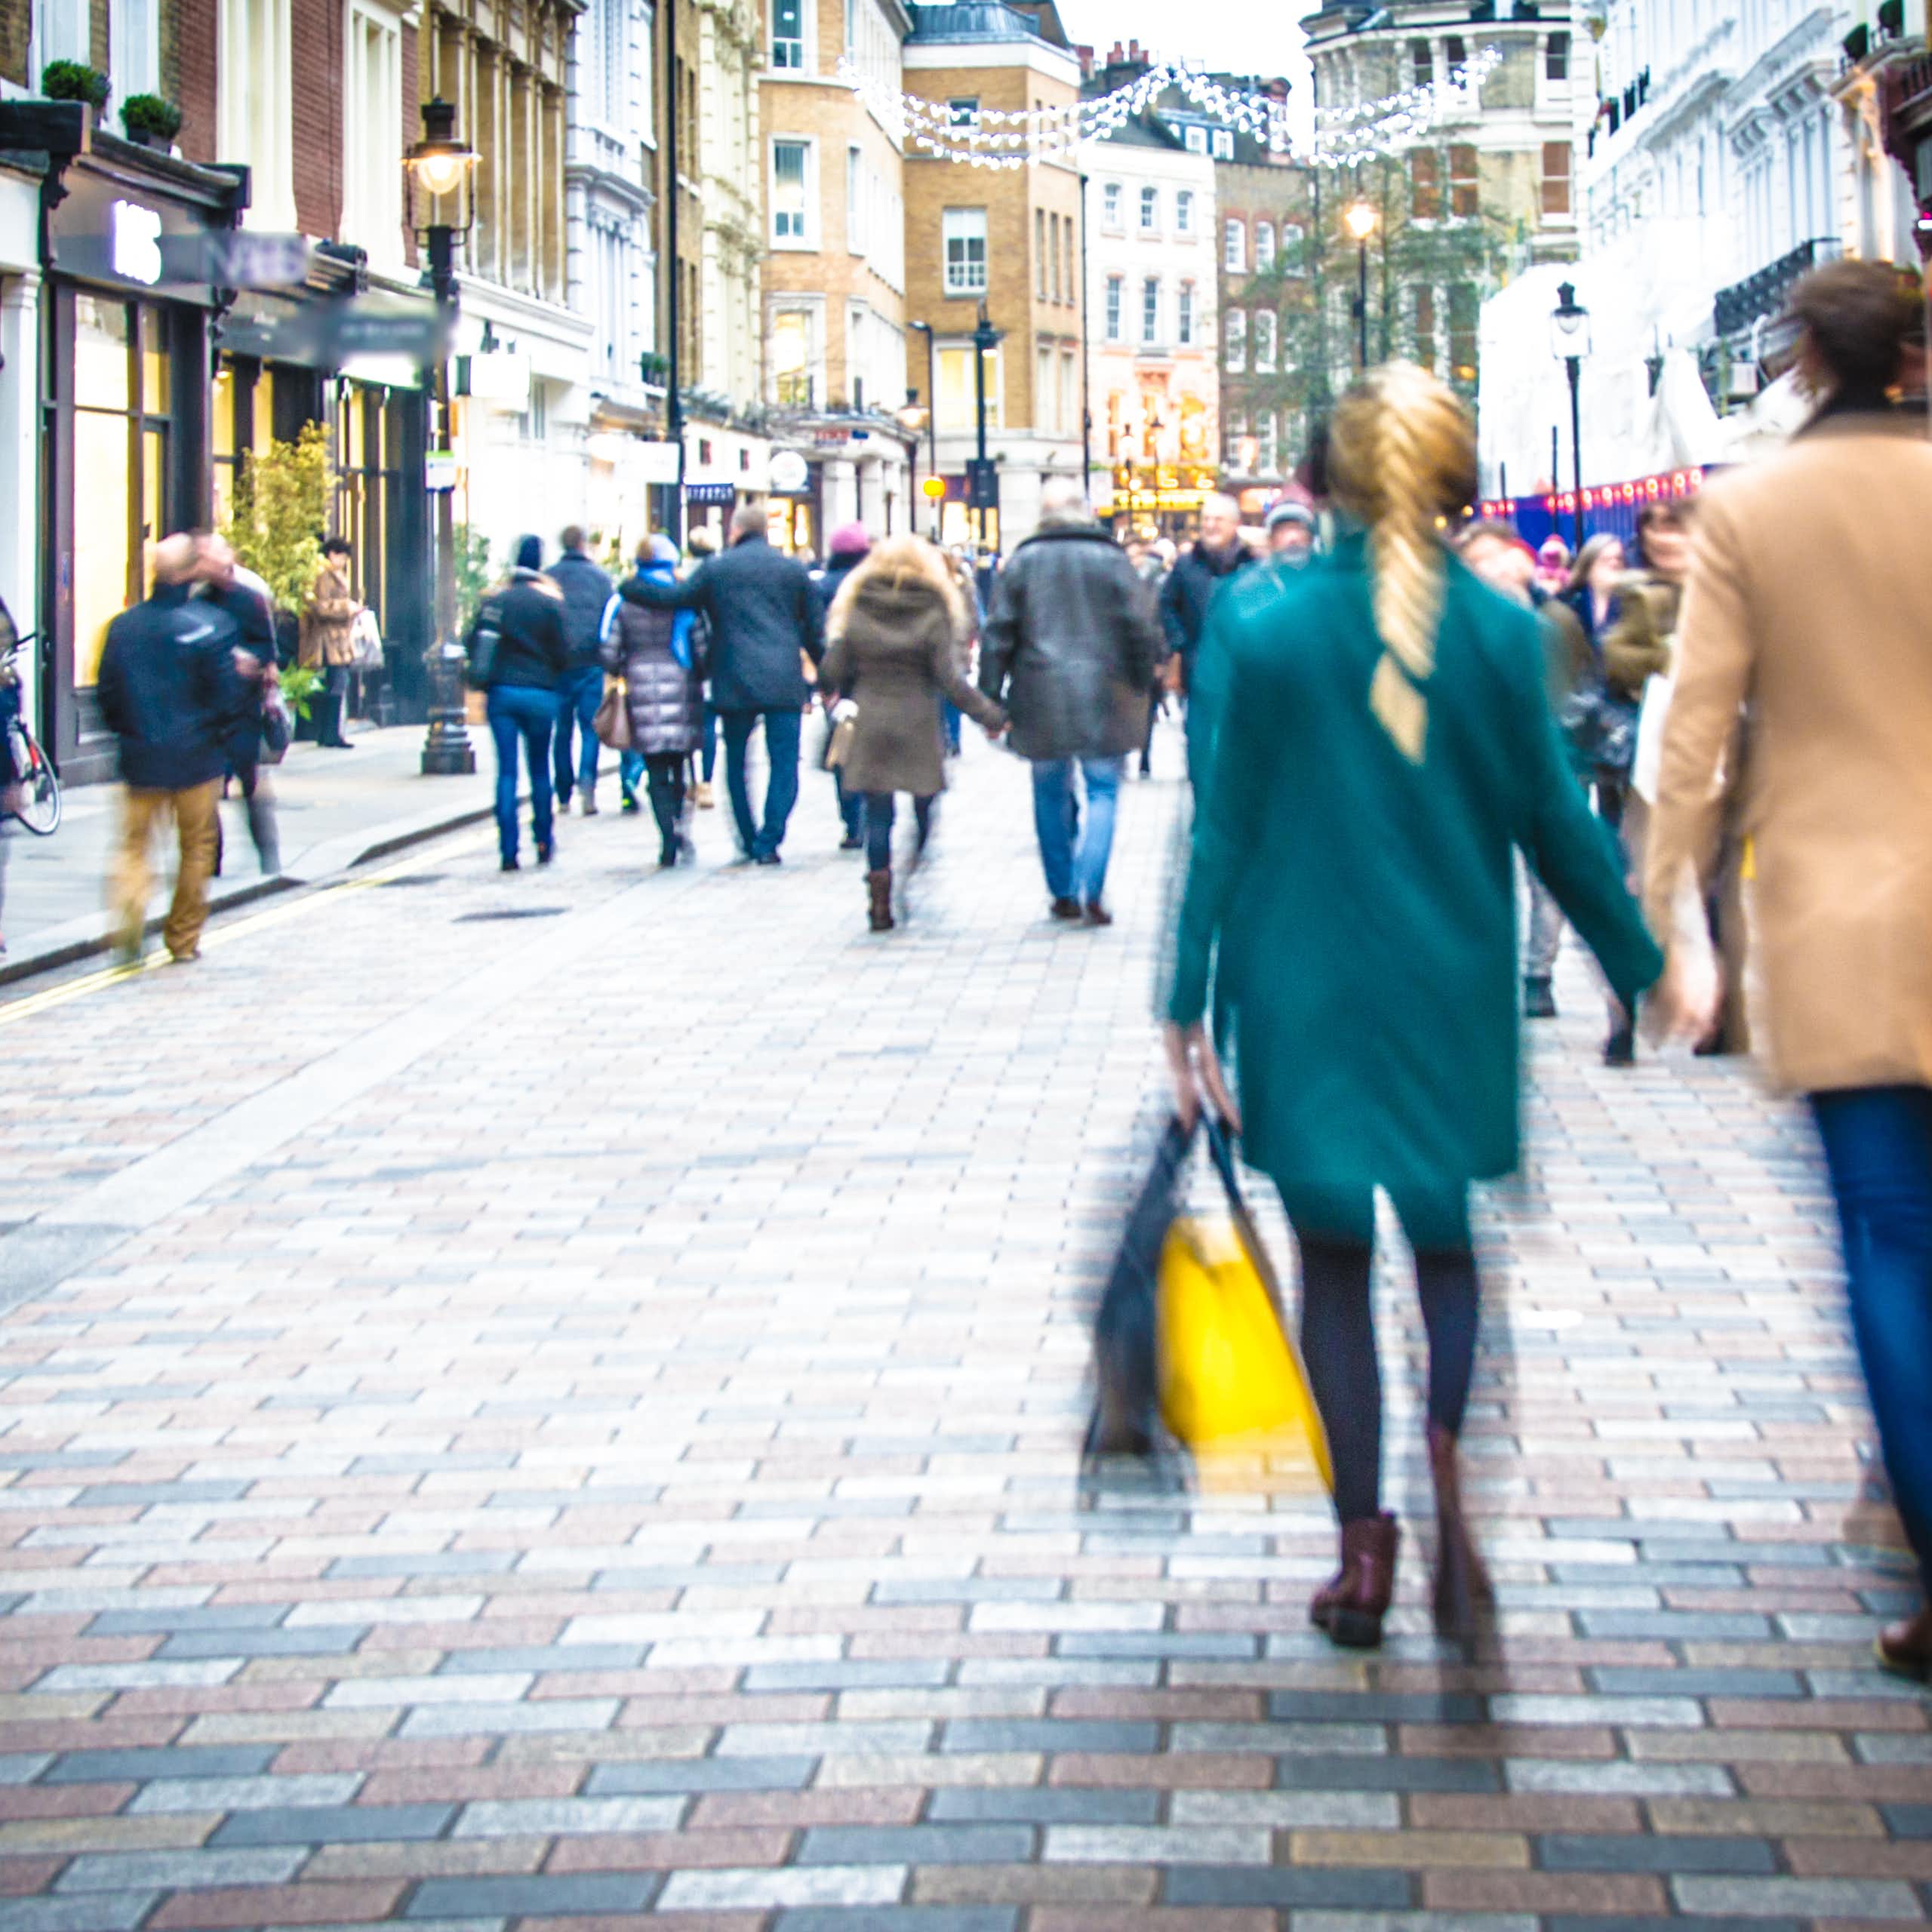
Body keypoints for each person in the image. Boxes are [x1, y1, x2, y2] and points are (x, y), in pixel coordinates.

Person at [1164, 365, 1662, 1650]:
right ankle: (1446, 1460)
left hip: (1299, 987)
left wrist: (1186, 1004)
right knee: (1443, 1246)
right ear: (1453, 490)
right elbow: (1555, 823)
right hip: (1449, 984)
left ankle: (1362, 1548)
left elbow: (1223, 832)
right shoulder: (1498, 633)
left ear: (1316, 489)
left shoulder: (1264, 632)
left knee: (1334, 1269)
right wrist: (1645, 965)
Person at [1645, 260, 1932, 1681]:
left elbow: (1689, 742)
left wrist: (1676, 923)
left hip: (1840, 917)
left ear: (1807, 358)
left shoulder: (1752, 509)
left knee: (1889, 1237)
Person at [979, 477, 1163, 927]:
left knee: (1049, 792)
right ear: (1085, 511)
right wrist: (1143, 679)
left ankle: (1062, 890)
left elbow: (999, 633)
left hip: (1040, 693)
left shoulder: (1023, 562)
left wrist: (990, 696)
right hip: (1106, 690)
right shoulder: (1112, 561)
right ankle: (1091, 885)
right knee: (1102, 789)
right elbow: (1140, 627)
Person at [818, 535, 1005, 933]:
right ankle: (912, 864)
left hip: (870, 719)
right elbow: (948, 678)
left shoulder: (856, 604)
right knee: (924, 802)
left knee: (878, 813)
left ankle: (879, 896)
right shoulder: (933, 606)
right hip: (917, 719)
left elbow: (832, 670)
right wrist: (989, 714)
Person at [621, 500, 823, 866]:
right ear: (766, 531)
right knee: (784, 763)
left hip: (734, 678)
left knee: (737, 765)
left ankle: (746, 838)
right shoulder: (793, 571)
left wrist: (630, 588)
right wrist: (827, 678)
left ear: (735, 531)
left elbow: (675, 598)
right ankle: (770, 839)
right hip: (782, 679)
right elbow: (815, 632)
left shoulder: (717, 569)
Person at [1457, 519, 1598, 1024]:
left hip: (1544, 765)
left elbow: (1579, 688)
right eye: (1478, 560)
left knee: (1546, 879)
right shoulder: (1451, 620)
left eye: (1500, 555)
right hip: (1477, 771)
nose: (1493, 568)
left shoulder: (1556, 618)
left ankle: (1539, 974)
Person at [97, 534, 247, 964]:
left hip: (140, 760)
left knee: (133, 847)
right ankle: (182, 940)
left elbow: (107, 694)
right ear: (187, 572)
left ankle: (128, 923)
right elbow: (226, 696)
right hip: (197, 760)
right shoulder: (211, 625)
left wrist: (127, 735)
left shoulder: (123, 627)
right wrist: (222, 742)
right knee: (197, 848)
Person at [468, 534, 569, 872]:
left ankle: (508, 849)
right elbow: (565, 654)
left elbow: (474, 646)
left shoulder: (497, 602)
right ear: (539, 563)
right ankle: (543, 840)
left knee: (507, 772)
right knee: (540, 770)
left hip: (503, 695)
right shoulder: (549, 604)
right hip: (541, 694)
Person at [602, 534, 704, 869]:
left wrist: (625, 668)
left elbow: (607, 650)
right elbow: (702, 645)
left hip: (641, 689)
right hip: (682, 685)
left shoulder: (623, 599)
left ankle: (666, 839)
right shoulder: (685, 598)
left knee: (656, 770)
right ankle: (680, 825)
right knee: (680, 765)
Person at [197, 534, 281, 877]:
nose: (205, 562)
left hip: (243, 710)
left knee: (251, 785)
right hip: (207, 711)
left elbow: (270, 650)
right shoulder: (198, 602)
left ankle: (267, 854)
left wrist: (255, 661)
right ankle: (210, 861)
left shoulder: (250, 600)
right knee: (207, 789)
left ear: (227, 557)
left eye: (211, 554)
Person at [1160, 492, 1259, 707]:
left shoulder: (1252, 567)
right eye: (1206, 519)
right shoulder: (1185, 565)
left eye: (1218, 519)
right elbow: (1166, 605)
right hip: (1196, 672)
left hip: (1242, 673)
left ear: (1235, 524)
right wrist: (1180, 644)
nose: (1210, 525)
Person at [548, 525, 614, 817]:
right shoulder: (601, 579)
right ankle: (587, 785)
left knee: (562, 731)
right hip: (590, 663)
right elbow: (610, 621)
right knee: (590, 729)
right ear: (583, 544)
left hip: (559, 664)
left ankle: (563, 793)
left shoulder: (550, 577)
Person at [814, 522, 872, 851]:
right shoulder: (875, 584)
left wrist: (824, 683)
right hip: (875, 679)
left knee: (844, 749)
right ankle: (872, 812)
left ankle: (852, 821)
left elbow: (816, 634)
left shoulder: (824, 587)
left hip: (838, 681)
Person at [298, 537, 359, 749]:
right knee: (336, 684)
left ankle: (329, 733)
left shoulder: (333, 575)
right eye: (342, 556)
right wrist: (348, 607)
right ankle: (330, 734)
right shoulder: (324, 576)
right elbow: (321, 607)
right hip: (329, 640)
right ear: (332, 554)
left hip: (337, 640)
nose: (344, 561)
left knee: (336, 684)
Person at [685, 525, 721, 809]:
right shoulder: (720, 575)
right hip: (711, 660)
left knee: (685, 721)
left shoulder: (682, 576)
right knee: (708, 723)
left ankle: (688, 779)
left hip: (682, 659)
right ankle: (706, 783)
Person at [1265, 499, 1318, 567]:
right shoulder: (1255, 576)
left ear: (1311, 537)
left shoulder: (1328, 574)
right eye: (1282, 531)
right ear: (1271, 539)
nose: (1292, 538)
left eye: (1300, 529)